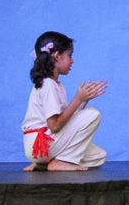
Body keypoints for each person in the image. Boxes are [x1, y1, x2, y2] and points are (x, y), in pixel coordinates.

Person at [21, 31, 107, 171]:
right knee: (93, 114)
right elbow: (55, 126)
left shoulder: (56, 85)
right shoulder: (48, 85)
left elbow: (66, 121)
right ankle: (59, 162)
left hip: (46, 146)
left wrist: (83, 100)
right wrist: (77, 98)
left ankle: (46, 163)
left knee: (99, 156)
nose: (72, 61)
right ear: (57, 56)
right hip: (40, 145)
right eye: (70, 55)